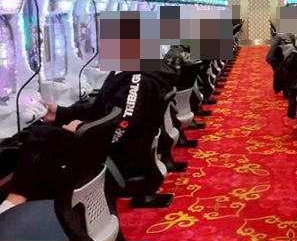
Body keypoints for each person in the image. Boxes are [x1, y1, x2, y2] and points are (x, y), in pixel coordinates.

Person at [0, 62, 177, 215]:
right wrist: (61, 113)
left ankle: (16, 198)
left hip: (120, 156)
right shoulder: (130, 71)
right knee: (42, 134)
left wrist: (84, 130)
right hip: (123, 147)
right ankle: (24, 195)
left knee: (41, 137)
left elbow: (123, 126)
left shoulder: (138, 79)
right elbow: (100, 109)